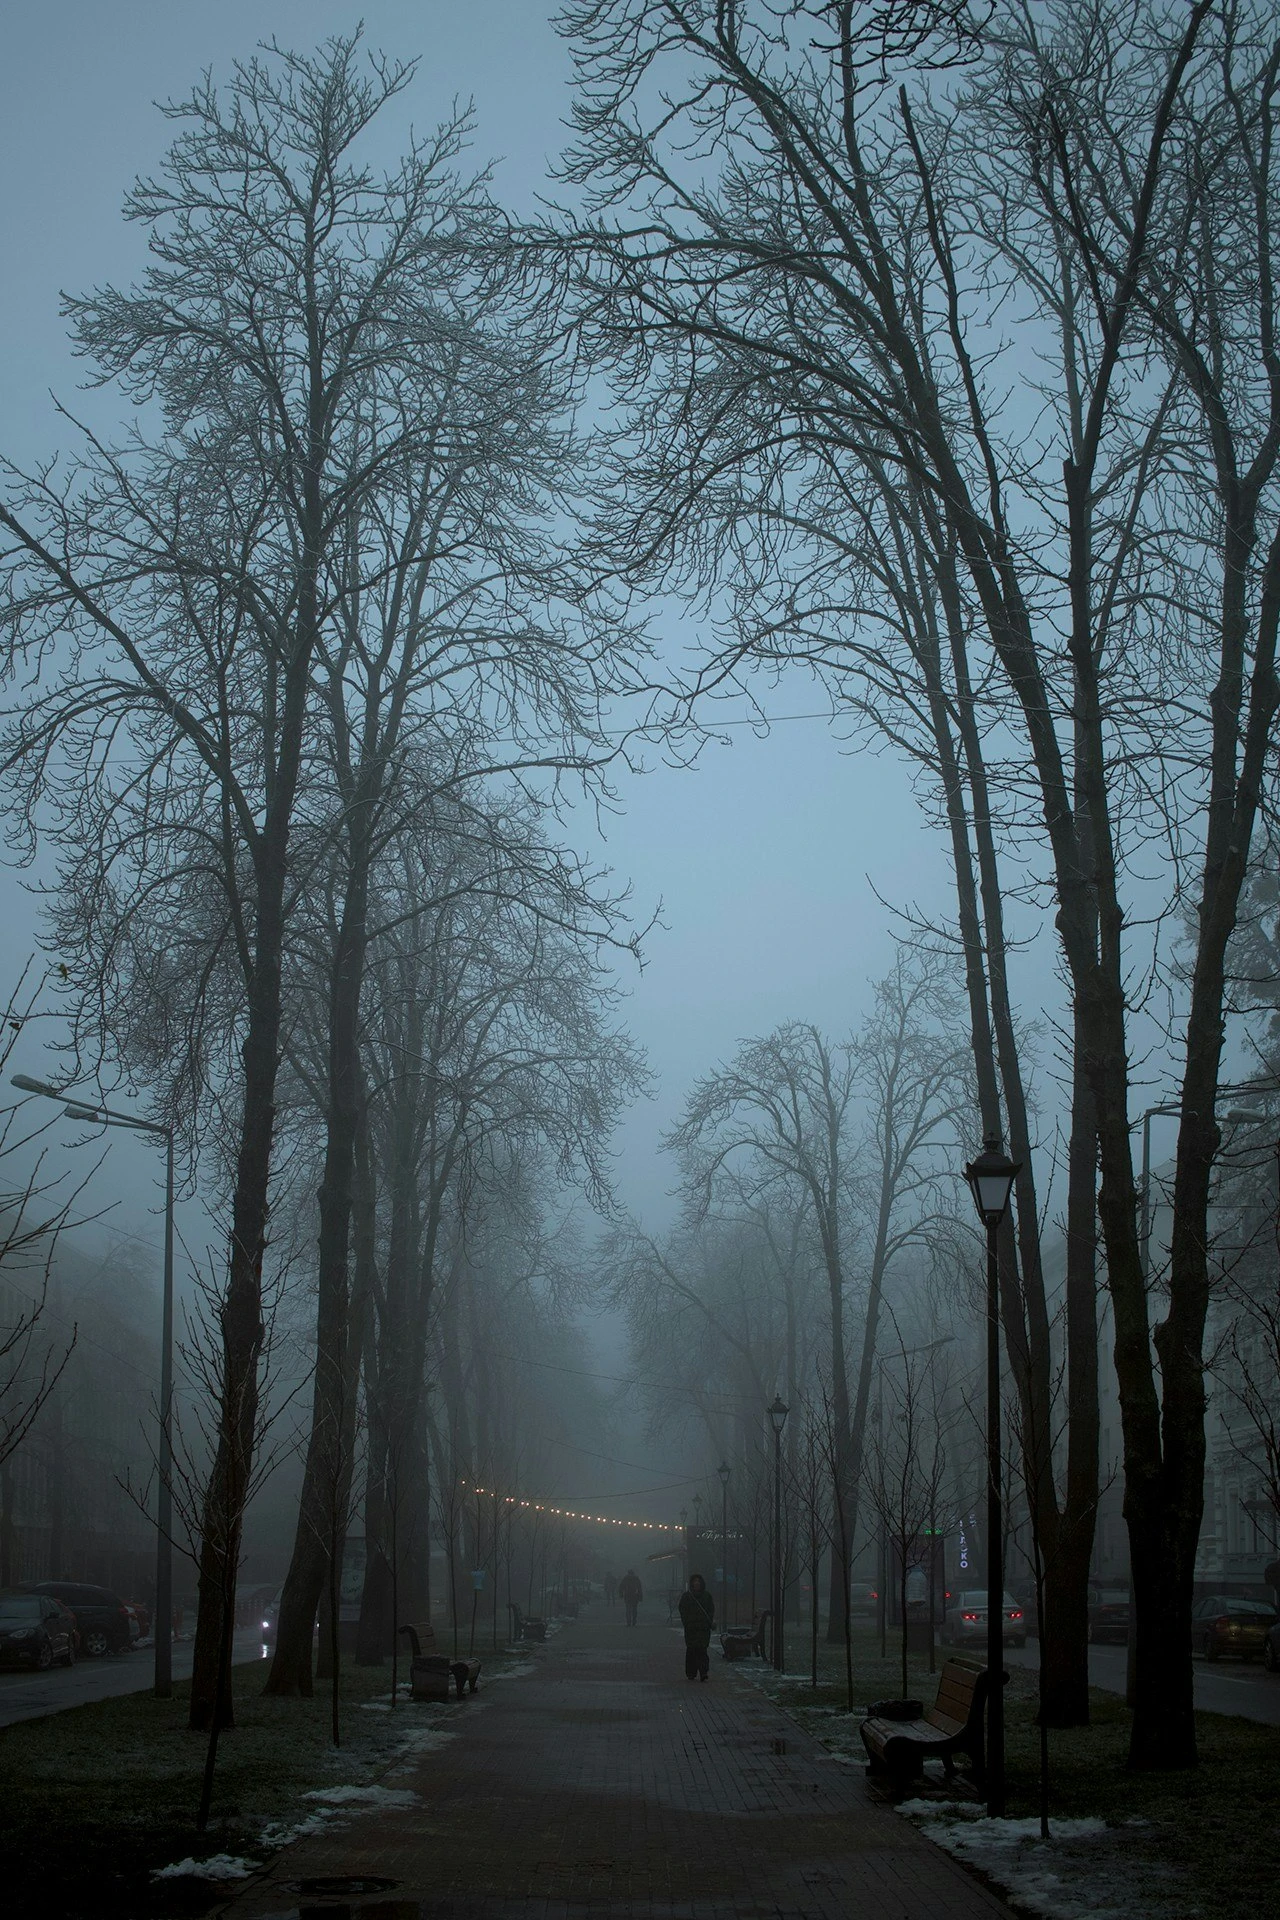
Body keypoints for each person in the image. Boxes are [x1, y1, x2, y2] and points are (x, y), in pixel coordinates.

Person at [679, 1571, 715, 1681]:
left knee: (702, 1650)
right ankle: (691, 1672)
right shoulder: (687, 1597)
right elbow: (682, 1609)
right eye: (695, 1582)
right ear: (692, 1584)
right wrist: (687, 1622)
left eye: (698, 1582)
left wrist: (707, 1621)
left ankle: (703, 1672)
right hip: (691, 1629)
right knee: (691, 1650)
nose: (697, 1584)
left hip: (703, 1629)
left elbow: (711, 1609)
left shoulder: (707, 1596)